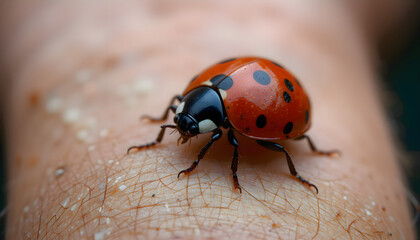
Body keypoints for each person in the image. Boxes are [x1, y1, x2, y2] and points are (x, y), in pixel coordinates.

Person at [1, 1, 415, 239]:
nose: (184, 128)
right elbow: (185, 107)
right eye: (181, 120)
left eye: (186, 124)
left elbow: (229, 141)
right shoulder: (196, 97)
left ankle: (299, 170)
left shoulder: (231, 124)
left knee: (275, 144)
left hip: (282, 108)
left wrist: (200, 165)